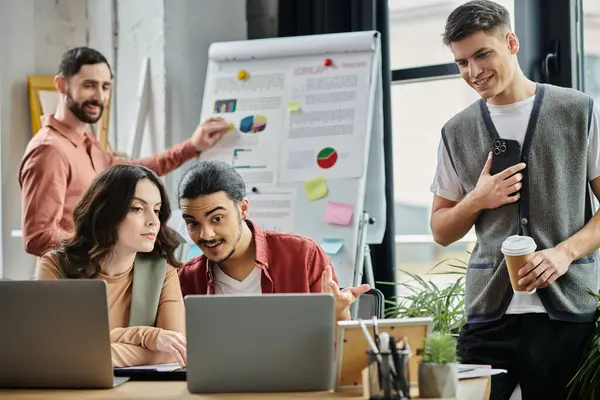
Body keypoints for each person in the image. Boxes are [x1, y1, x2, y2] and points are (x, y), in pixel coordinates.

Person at [430, 1, 600, 399]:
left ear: (511, 42)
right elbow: (439, 230)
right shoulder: (455, 131)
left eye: (482, 54)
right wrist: (477, 199)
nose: (473, 72)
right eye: (461, 62)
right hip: (487, 313)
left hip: (566, 309)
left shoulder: (578, 111)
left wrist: (563, 253)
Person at [19, 46, 230, 257]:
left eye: (105, 87)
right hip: (69, 283)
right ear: (62, 85)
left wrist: (191, 147)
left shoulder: (87, 143)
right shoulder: (49, 150)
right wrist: (103, 243)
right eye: (89, 86)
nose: (99, 96)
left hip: (96, 275)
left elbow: (136, 171)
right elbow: (38, 237)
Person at [176, 160, 370, 321]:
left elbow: (339, 351)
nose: (206, 235)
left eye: (217, 219)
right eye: (193, 223)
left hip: (298, 368)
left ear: (243, 208)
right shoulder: (188, 278)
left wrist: (339, 313)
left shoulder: (303, 255)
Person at [35, 164, 186, 368]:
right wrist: (146, 336)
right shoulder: (54, 265)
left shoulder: (164, 272)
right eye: (138, 208)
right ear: (106, 211)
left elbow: (174, 353)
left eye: (157, 210)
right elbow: (51, 350)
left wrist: (94, 353)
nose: (153, 221)